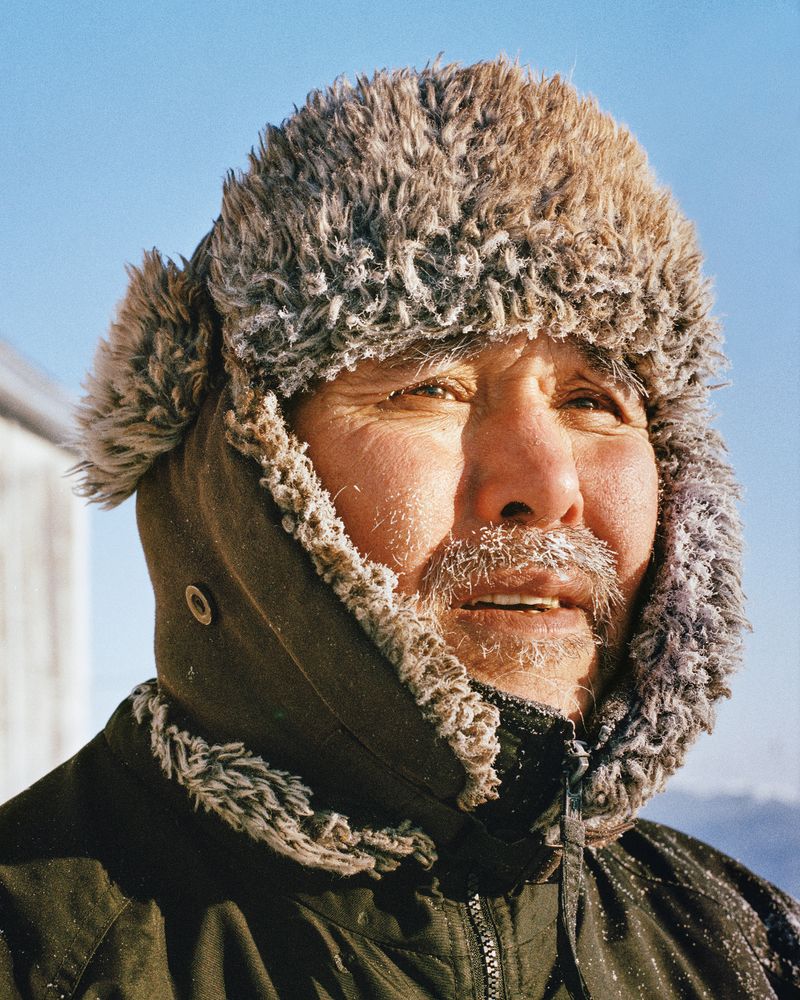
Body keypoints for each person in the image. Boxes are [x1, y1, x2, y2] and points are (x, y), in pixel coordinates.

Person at [0, 58, 797, 1000]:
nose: (545, 487)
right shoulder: (45, 954)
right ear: (244, 462)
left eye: (593, 402)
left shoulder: (747, 949)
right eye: (429, 388)